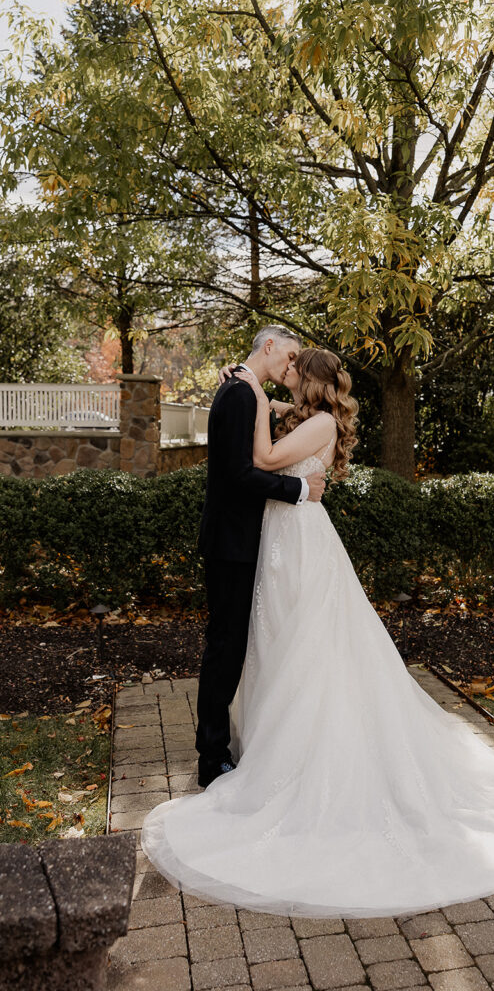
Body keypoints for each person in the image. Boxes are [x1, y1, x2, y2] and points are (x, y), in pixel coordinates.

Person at [141, 347, 494, 918]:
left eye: (297, 368)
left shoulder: (317, 422)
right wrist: (242, 382)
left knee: (309, 649)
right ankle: (265, 744)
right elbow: (261, 406)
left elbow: (264, 458)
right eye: (286, 363)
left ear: (314, 382)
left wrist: (249, 396)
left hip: (299, 545)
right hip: (281, 542)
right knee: (277, 647)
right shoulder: (299, 412)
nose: (288, 371)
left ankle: (300, 755)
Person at [194, 326, 326, 790]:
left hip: (242, 540)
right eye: (289, 356)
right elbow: (238, 475)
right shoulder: (240, 393)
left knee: (233, 646)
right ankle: (211, 759)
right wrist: (299, 489)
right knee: (225, 648)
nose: (292, 366)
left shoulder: (247, 390)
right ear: (268, 346)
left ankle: (221, 745)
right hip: (232, 542)